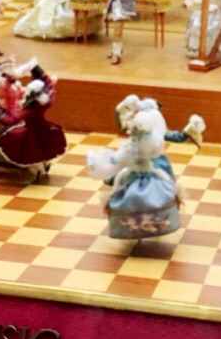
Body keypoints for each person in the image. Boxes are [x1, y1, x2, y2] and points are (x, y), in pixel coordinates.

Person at [86, 96, 204, 241]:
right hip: (145, 167)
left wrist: (190, 131)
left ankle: (151, 218)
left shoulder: (136, 145)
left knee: (158, 188)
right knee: (160, 188)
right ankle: (151, 218)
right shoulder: (133, 146)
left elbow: (116, 159)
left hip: (155, 165)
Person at [0, 58, 66, 180]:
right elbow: (50, 91)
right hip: (15, 115)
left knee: (28, 145)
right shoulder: (6, 87)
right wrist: (39, 72)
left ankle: (34, 164)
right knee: (37, 145)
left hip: (21, 121)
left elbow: (12, 119)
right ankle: (29, 164)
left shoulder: (29, 108)